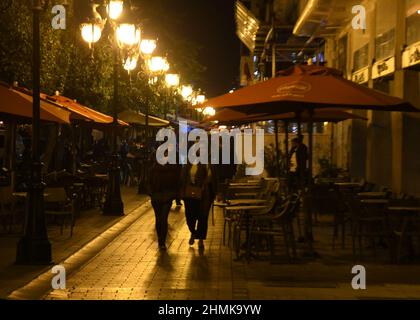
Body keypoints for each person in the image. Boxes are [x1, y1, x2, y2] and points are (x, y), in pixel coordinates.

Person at [148, 153, 181, 251]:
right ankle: (160, 240)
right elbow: (149, 182)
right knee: (159, 219)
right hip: (157, 197)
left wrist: (174, 194)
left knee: (163, 218)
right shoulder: (154, 169)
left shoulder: (171, 170)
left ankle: (162, 242)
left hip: (166, 197)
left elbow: (176, 183)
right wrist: (152, 193)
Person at [181, 161, 215, 250]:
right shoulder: (188, 164)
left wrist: (215, 192)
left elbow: (213, 178)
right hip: (190, 195)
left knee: (203, 218)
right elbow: (183, 178)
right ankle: (193, 232)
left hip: (205, 196)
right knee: (190, 217)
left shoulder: (208, 164)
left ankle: (200, 240)